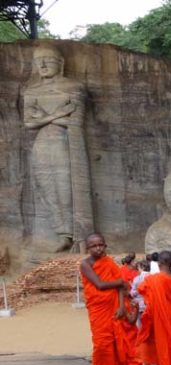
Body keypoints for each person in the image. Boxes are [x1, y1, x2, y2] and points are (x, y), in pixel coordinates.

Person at [24, 44, 93, 252]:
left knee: (66, 189)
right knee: (47, 190)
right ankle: (62, 233)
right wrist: (59, 114)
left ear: (60, 64)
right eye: (38, 61)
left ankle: (75, 234)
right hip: (42, 145)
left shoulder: (74, 87)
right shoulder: (31, 91)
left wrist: (43, 118)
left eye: (48, 60)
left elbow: (75, 122)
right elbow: (28, 123)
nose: (43, 64)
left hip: (64, 144)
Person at [79, 233, 131, 365]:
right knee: (102, 342)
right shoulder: (85, 264)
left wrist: (122, 306)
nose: (98, 249)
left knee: (114, 340)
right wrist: (120, 282)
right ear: (88, 248)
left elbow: (120, 288)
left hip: (113, 306)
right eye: (94, 246)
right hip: (98, 308)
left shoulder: (109, 263)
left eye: (100, 245)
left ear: (105, 245)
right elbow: (100, 285)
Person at [136, 250, 171, 365]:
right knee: (167, 339)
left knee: (148, 339)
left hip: (154, 312)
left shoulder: (152, 279)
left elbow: (141, 289)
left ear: (159, 262)